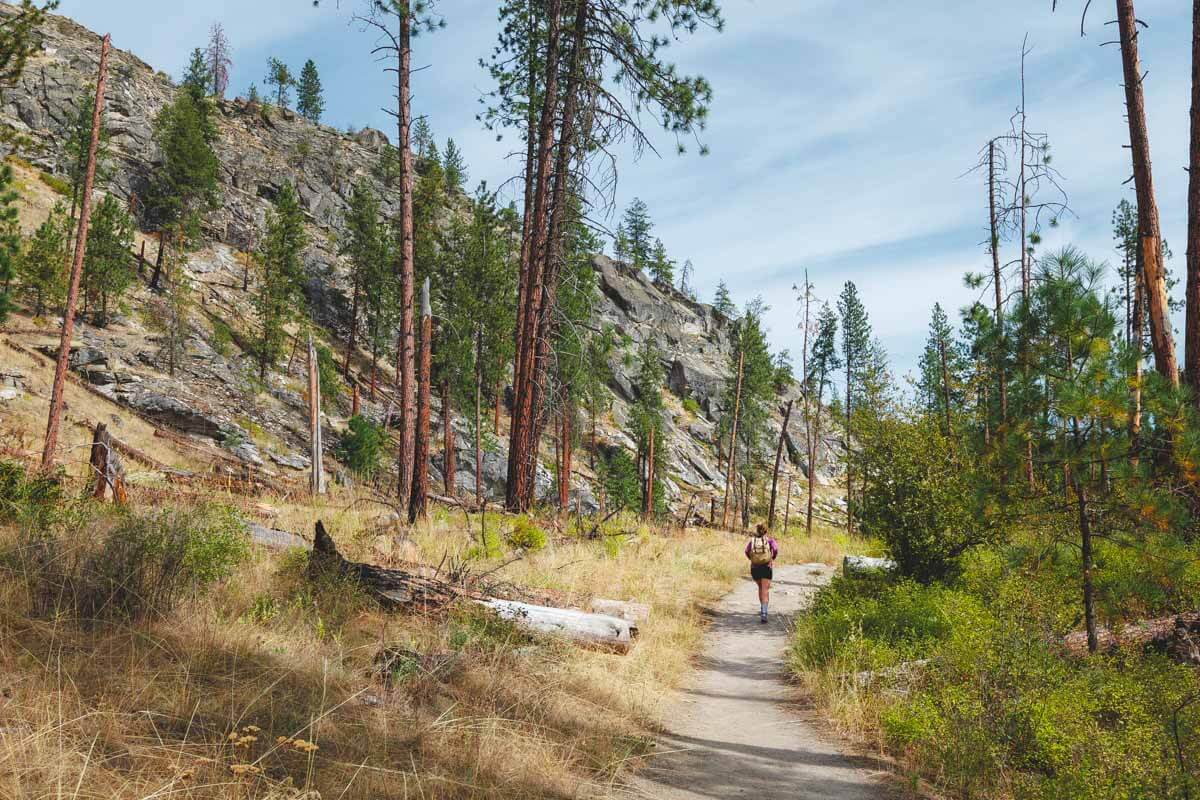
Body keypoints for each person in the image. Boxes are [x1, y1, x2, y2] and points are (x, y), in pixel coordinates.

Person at [745, 523, 778, 623]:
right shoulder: (770, 541)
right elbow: (775, 550)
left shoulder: (752, 541)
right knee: (765, 590)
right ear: (766, 531)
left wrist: (753, 559)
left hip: (755, 568)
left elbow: (746, 551)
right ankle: (764, 612)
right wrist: (772, 558)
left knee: (760, 588)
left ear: (757, 531)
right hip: (766, 567)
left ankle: (762, 610)